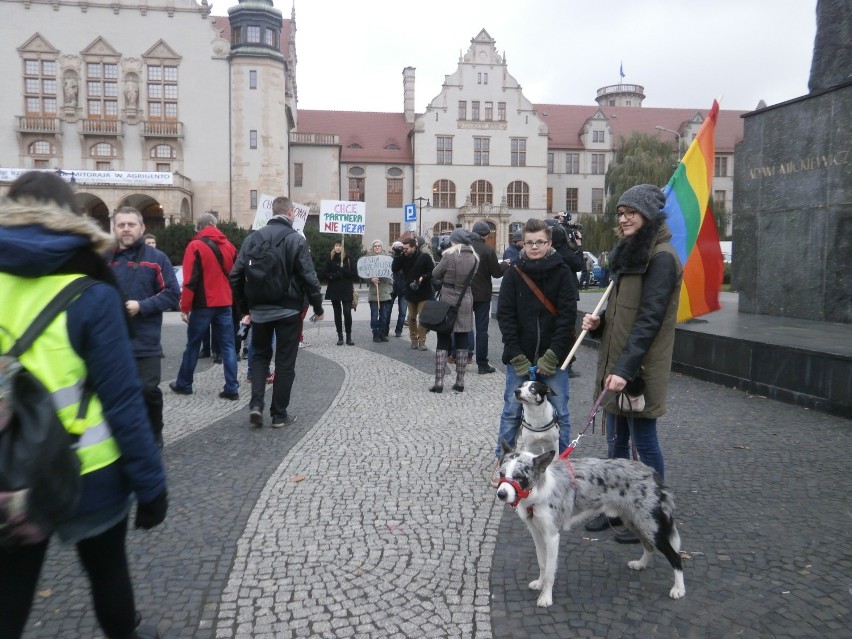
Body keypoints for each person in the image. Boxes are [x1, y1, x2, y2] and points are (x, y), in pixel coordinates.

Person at [0, 171, 167, 639]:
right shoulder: (92, 293)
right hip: (87, 468)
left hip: (8, 470)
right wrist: (151, 485)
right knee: (107, 573)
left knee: (10, 591)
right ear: (71, 220)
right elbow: (122, 400)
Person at [581, 184, 683, 543]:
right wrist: (600, 324)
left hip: (639, 368)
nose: (623, 219)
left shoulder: (662, 257)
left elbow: (649, 320)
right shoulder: (631, 254)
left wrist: (625, 370)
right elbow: (623, 314)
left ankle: (652, 515)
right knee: (616, 440)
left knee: (644, 439)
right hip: (618, 364)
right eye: (620, 213)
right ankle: (615, 510)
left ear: (648, 216)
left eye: (630, 213)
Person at [492, 217, 578, 486]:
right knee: (511, 411)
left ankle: (564, 465)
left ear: (549, 243)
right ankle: (502, 464)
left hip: (555, 356)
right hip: (520, 355)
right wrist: (517, 354)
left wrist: (552, 355)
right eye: (529, 243)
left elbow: (567, 317)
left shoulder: (563, 273)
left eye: (539, 242)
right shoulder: (514, 273)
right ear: (522, 244)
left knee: (561, 411)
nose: (534, 247)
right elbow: (505, 316)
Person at [230, 196, 325, 428]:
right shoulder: (296, 239)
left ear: (272, 212)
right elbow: (309, 277)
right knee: (285, 362)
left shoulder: (252, 238)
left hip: (259, 311)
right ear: (291, 212)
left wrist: (245, 308)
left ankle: (255, 405)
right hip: (289, 311)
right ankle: (279, 415)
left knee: (260, 357)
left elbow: (234, 276)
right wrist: (318, 305)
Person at [109, 207, 180, 451]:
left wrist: (142, 306)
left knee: (148, 390)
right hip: (111, 340)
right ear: (114, 228)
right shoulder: (103, 258)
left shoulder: (157, 258)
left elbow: (172, 295)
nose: (126, 229)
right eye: (121, 225)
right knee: (116, 392)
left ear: (142, 228)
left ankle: (155, 430)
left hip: (145, 340)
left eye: (131, 224)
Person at [169, 213, 239, 400]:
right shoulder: (230, 246)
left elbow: (190, 280)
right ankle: (232, 387)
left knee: (193, 344)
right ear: (214, 225)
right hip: (225, 301)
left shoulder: (195, 245)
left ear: (200, 227)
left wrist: (185, 307)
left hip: (203, 304)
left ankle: (184, 384)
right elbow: (235, 275)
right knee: (228, 346)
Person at [429, 228, 478, 392]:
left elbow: (435, 273)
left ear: (455, 240)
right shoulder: (474, 258)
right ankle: (460, 381)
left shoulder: (449, 256)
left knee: (443, 338)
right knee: (463, 338)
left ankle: (439, 382)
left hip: (448, 299)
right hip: (465, 299)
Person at [468, 221, 508, 374]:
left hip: (466, 294)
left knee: (464, 327)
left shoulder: (465, 249)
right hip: (483, 295)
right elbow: (496, 273)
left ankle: (461, 357)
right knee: (482, 330)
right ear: (485, 235)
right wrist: (505, 264)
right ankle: (482, 364)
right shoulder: (487, 250)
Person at [392, 236, 434, 351]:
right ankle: (413, 340)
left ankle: (422, 341)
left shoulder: (424, 257)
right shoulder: (403, 257)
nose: (404, 250)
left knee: (422, 317)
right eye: (403, 248)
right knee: (411, 318)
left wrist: (423, 277)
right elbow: (394, 269)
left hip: (423, 291)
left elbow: (432, 271)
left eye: (406, 249)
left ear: (413, 247)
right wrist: (397, 255)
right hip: (410, 291)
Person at [323, 241, 356, 345]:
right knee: (337, 313)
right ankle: (340, 336)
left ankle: (349, 336)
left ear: (343, 247)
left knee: (347, 312)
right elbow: (324, 273)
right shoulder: (330, 258)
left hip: (346, 289)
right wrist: (334, 275)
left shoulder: (349, 258)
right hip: (334, 289)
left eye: (340, 246)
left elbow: (354, 274)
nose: (338, 248)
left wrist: (344, 271)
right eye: (336, 245)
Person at [366, 239, 393, 342]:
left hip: (385, 291)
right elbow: (364, 274)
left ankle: (382, 333)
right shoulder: (368, 259)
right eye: (375, 246)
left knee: (384, 315)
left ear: (381, 247)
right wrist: (371, 279)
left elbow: (391, 272)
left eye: (379, 246)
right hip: (374, 291)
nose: (377, 247)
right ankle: (375, 333)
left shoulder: (387, 259)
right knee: (374, 314)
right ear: (373, 247)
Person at [388, 241, 408, 337]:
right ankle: (385, 330)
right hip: (392, 287)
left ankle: (399, 330)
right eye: (397, 248)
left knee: (403, 312)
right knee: (387, 310)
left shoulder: (406, 259)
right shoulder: (389, 259)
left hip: (403, 288)